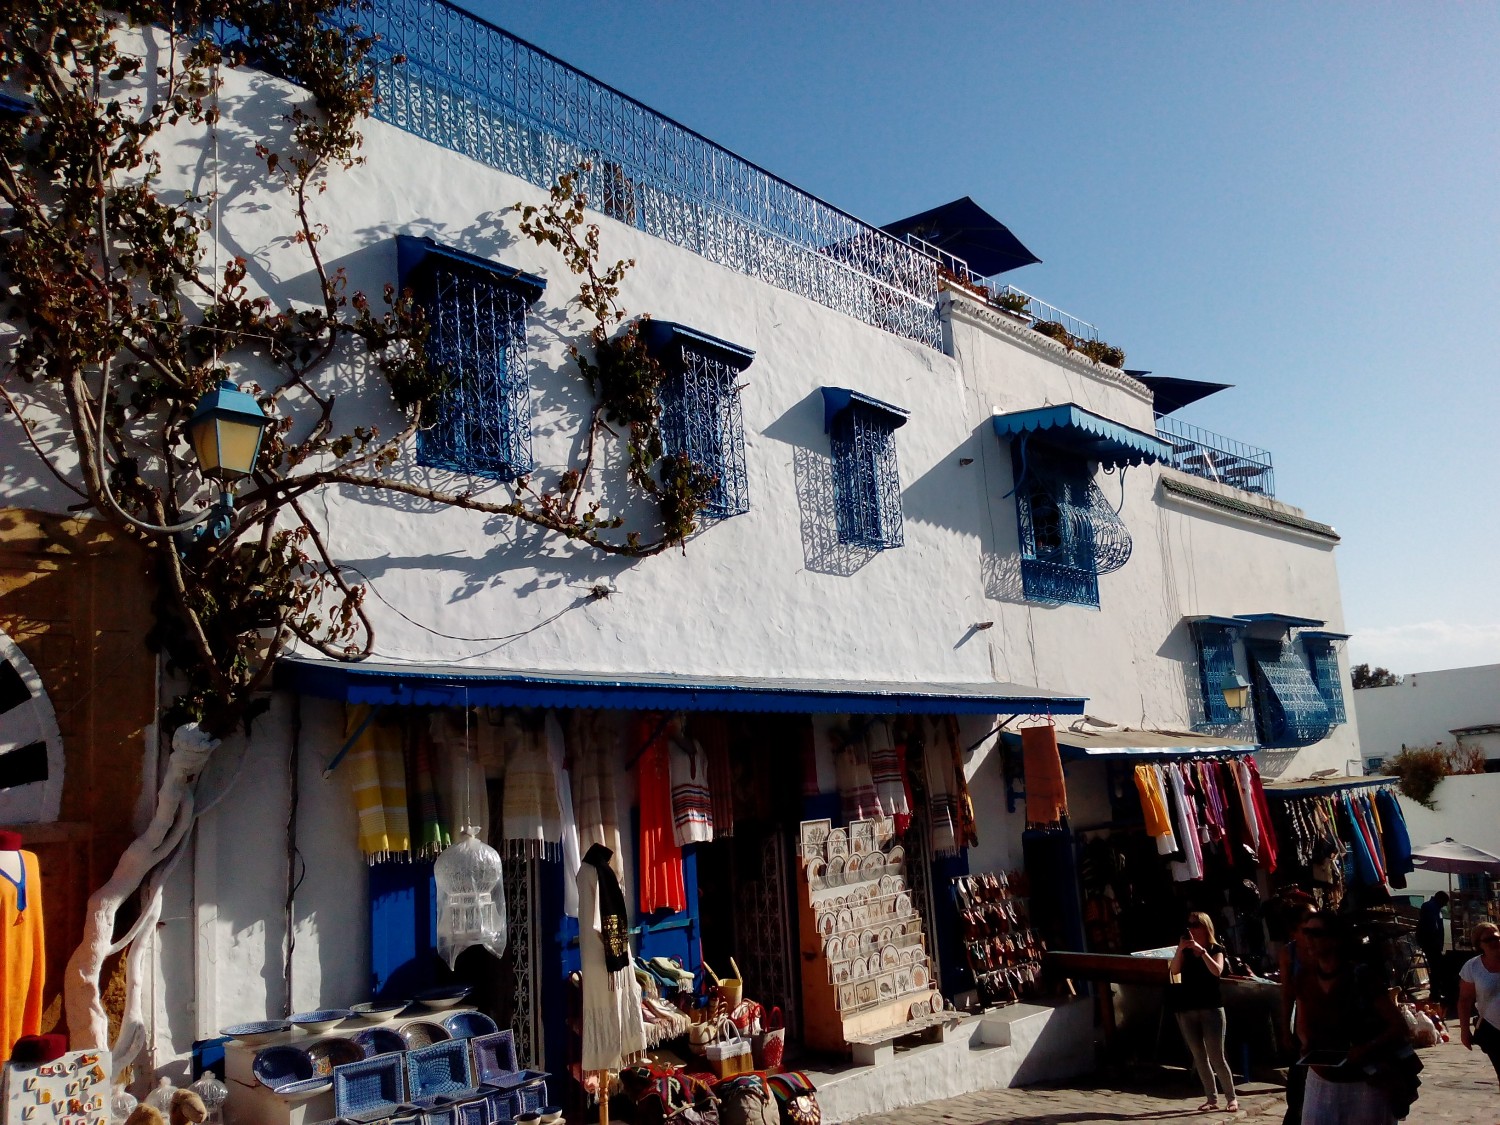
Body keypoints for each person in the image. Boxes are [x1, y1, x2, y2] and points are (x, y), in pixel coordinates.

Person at [1295, 912, 1412, 1124]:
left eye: (1316, 933)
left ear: (1334, 939)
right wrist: (1307, 1046)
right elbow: (1302, 1024)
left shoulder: (1361, 976)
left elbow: (1398, 1026)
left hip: (1364, 1080)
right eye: (1306, 932)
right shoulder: (1305, 977)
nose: (1309, 939)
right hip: (1322, 1079)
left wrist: (1364, 1049)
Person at [1169, 911, 1238, 1113]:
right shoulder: (1186, 951)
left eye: (1195, 925)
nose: (1191, 929)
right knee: (1199, 1056)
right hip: (1188, 1008)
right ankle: (1211, 1098)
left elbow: (1217, 971)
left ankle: (1231, 1098)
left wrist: (1203, 953)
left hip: (1211, 1008)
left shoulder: (1216, 949)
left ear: (1206, 927)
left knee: (1217, 1056)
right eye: (1189, 925)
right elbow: (1174, 971)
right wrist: (1180, 949)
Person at [1279, 903, 1318, 1125]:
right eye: (1307, 922)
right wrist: (1285, 1029)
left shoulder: (1327, 948)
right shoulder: (1289, 953)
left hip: (1330, 1025)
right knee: (1297, 1091)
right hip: (1303, 1025)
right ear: (1295, 930)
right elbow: (1287, 994)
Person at [1458, 920, 1500, 1082]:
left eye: (1496, 938)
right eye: (1488, 940)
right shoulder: (1473, 967)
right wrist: (1464, 1030)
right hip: (1493, 1029)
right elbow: (1465, 1000)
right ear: (1479, 944)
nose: (1495, 942)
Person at [1416, 891, 1449, 999]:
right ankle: (1435, 993)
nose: (1445, 905)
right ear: (1441, 900)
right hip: (1431, 943)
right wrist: (1435, 942)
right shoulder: (1430, 907)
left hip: (1432, 943)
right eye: (1445, 902)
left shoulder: (1433, 907)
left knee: (1436, 967)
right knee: (1436, 968)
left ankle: (1436, 991)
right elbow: (1432, 926)